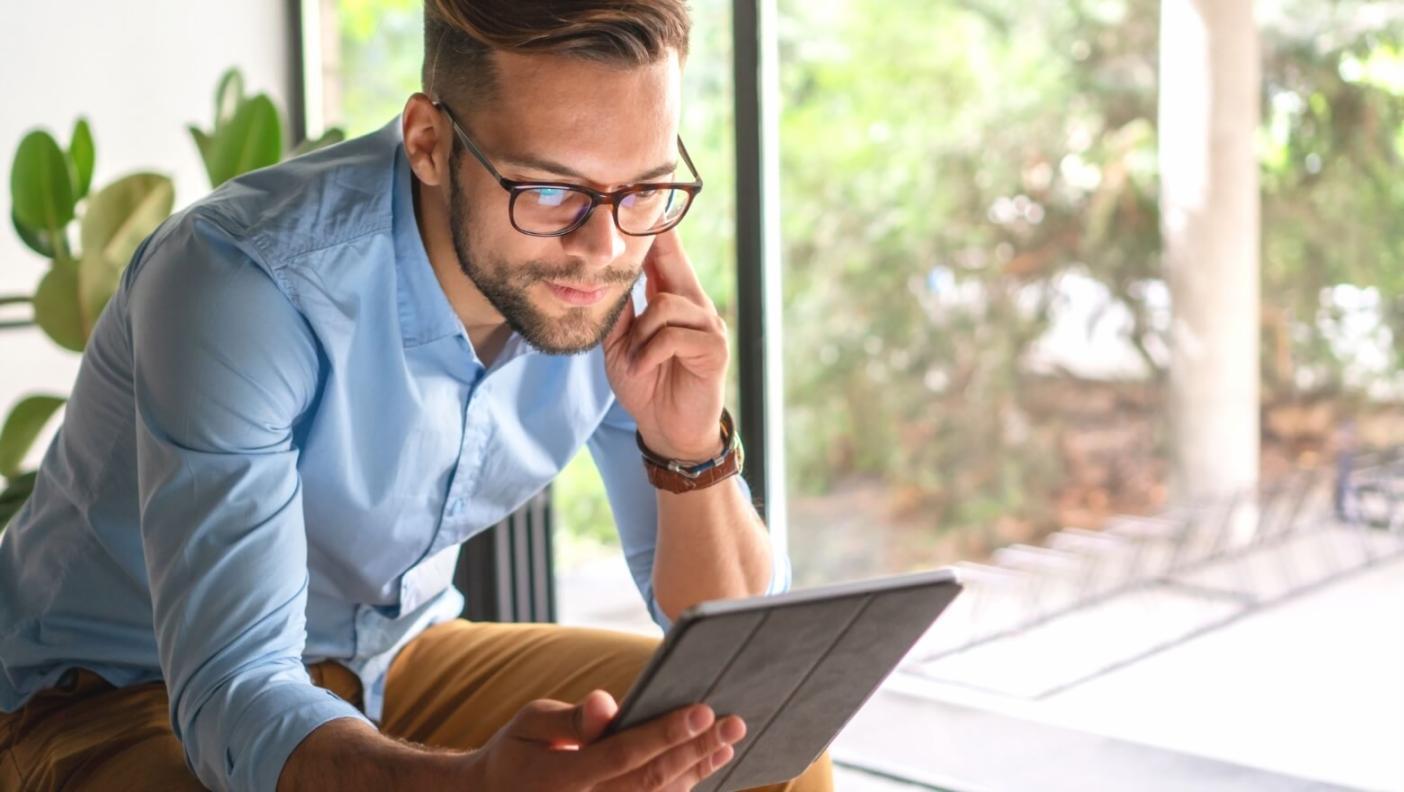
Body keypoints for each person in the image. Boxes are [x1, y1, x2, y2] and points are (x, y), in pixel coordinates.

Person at [0, 1, 834, 790]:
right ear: (429, 142)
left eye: (644, 188)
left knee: (754, 740)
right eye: (549, 190)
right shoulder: (243, 284)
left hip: (397, 659)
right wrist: (468, 782)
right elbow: (233, 690)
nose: (603, 246)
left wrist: (688, 448)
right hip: (110, 695)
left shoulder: (621, 265)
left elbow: (740, 650)